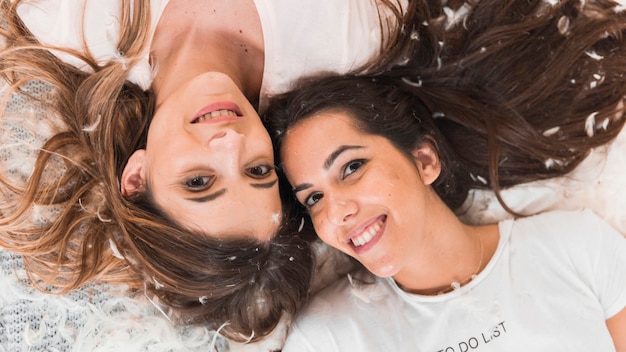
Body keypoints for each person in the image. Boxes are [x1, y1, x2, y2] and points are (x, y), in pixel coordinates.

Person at [0, 0, 411, 343]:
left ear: (136, 177)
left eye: (198, 181)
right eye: (257, 169)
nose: (230, 142)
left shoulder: (69, 20)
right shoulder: (349, 38)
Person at [267, 73, 626, 351]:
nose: (335, 212)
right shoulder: (329, 339)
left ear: (424, 160)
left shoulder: (575, 246)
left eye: (352, 167)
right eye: (313, 198)